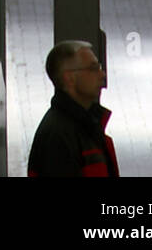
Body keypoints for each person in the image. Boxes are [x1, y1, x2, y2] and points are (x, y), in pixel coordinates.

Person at [28, 41, 119, 178]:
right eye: (93, 69)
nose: (102, 75)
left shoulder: (86, 124)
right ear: (69, 78)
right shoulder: (57, 136)